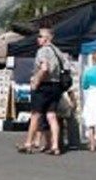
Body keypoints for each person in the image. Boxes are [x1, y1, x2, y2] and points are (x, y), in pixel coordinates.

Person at [17, 27, 64, 155]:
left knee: (35, 115)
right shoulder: (58, 51)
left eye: (40, 36)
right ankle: (55, 146)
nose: (37, 39)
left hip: (44, 86)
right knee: (51, 115)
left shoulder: (43, 51)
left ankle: (28, 143)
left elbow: (44, 68)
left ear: (47, 38)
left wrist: (36, 80)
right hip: (56, 85)